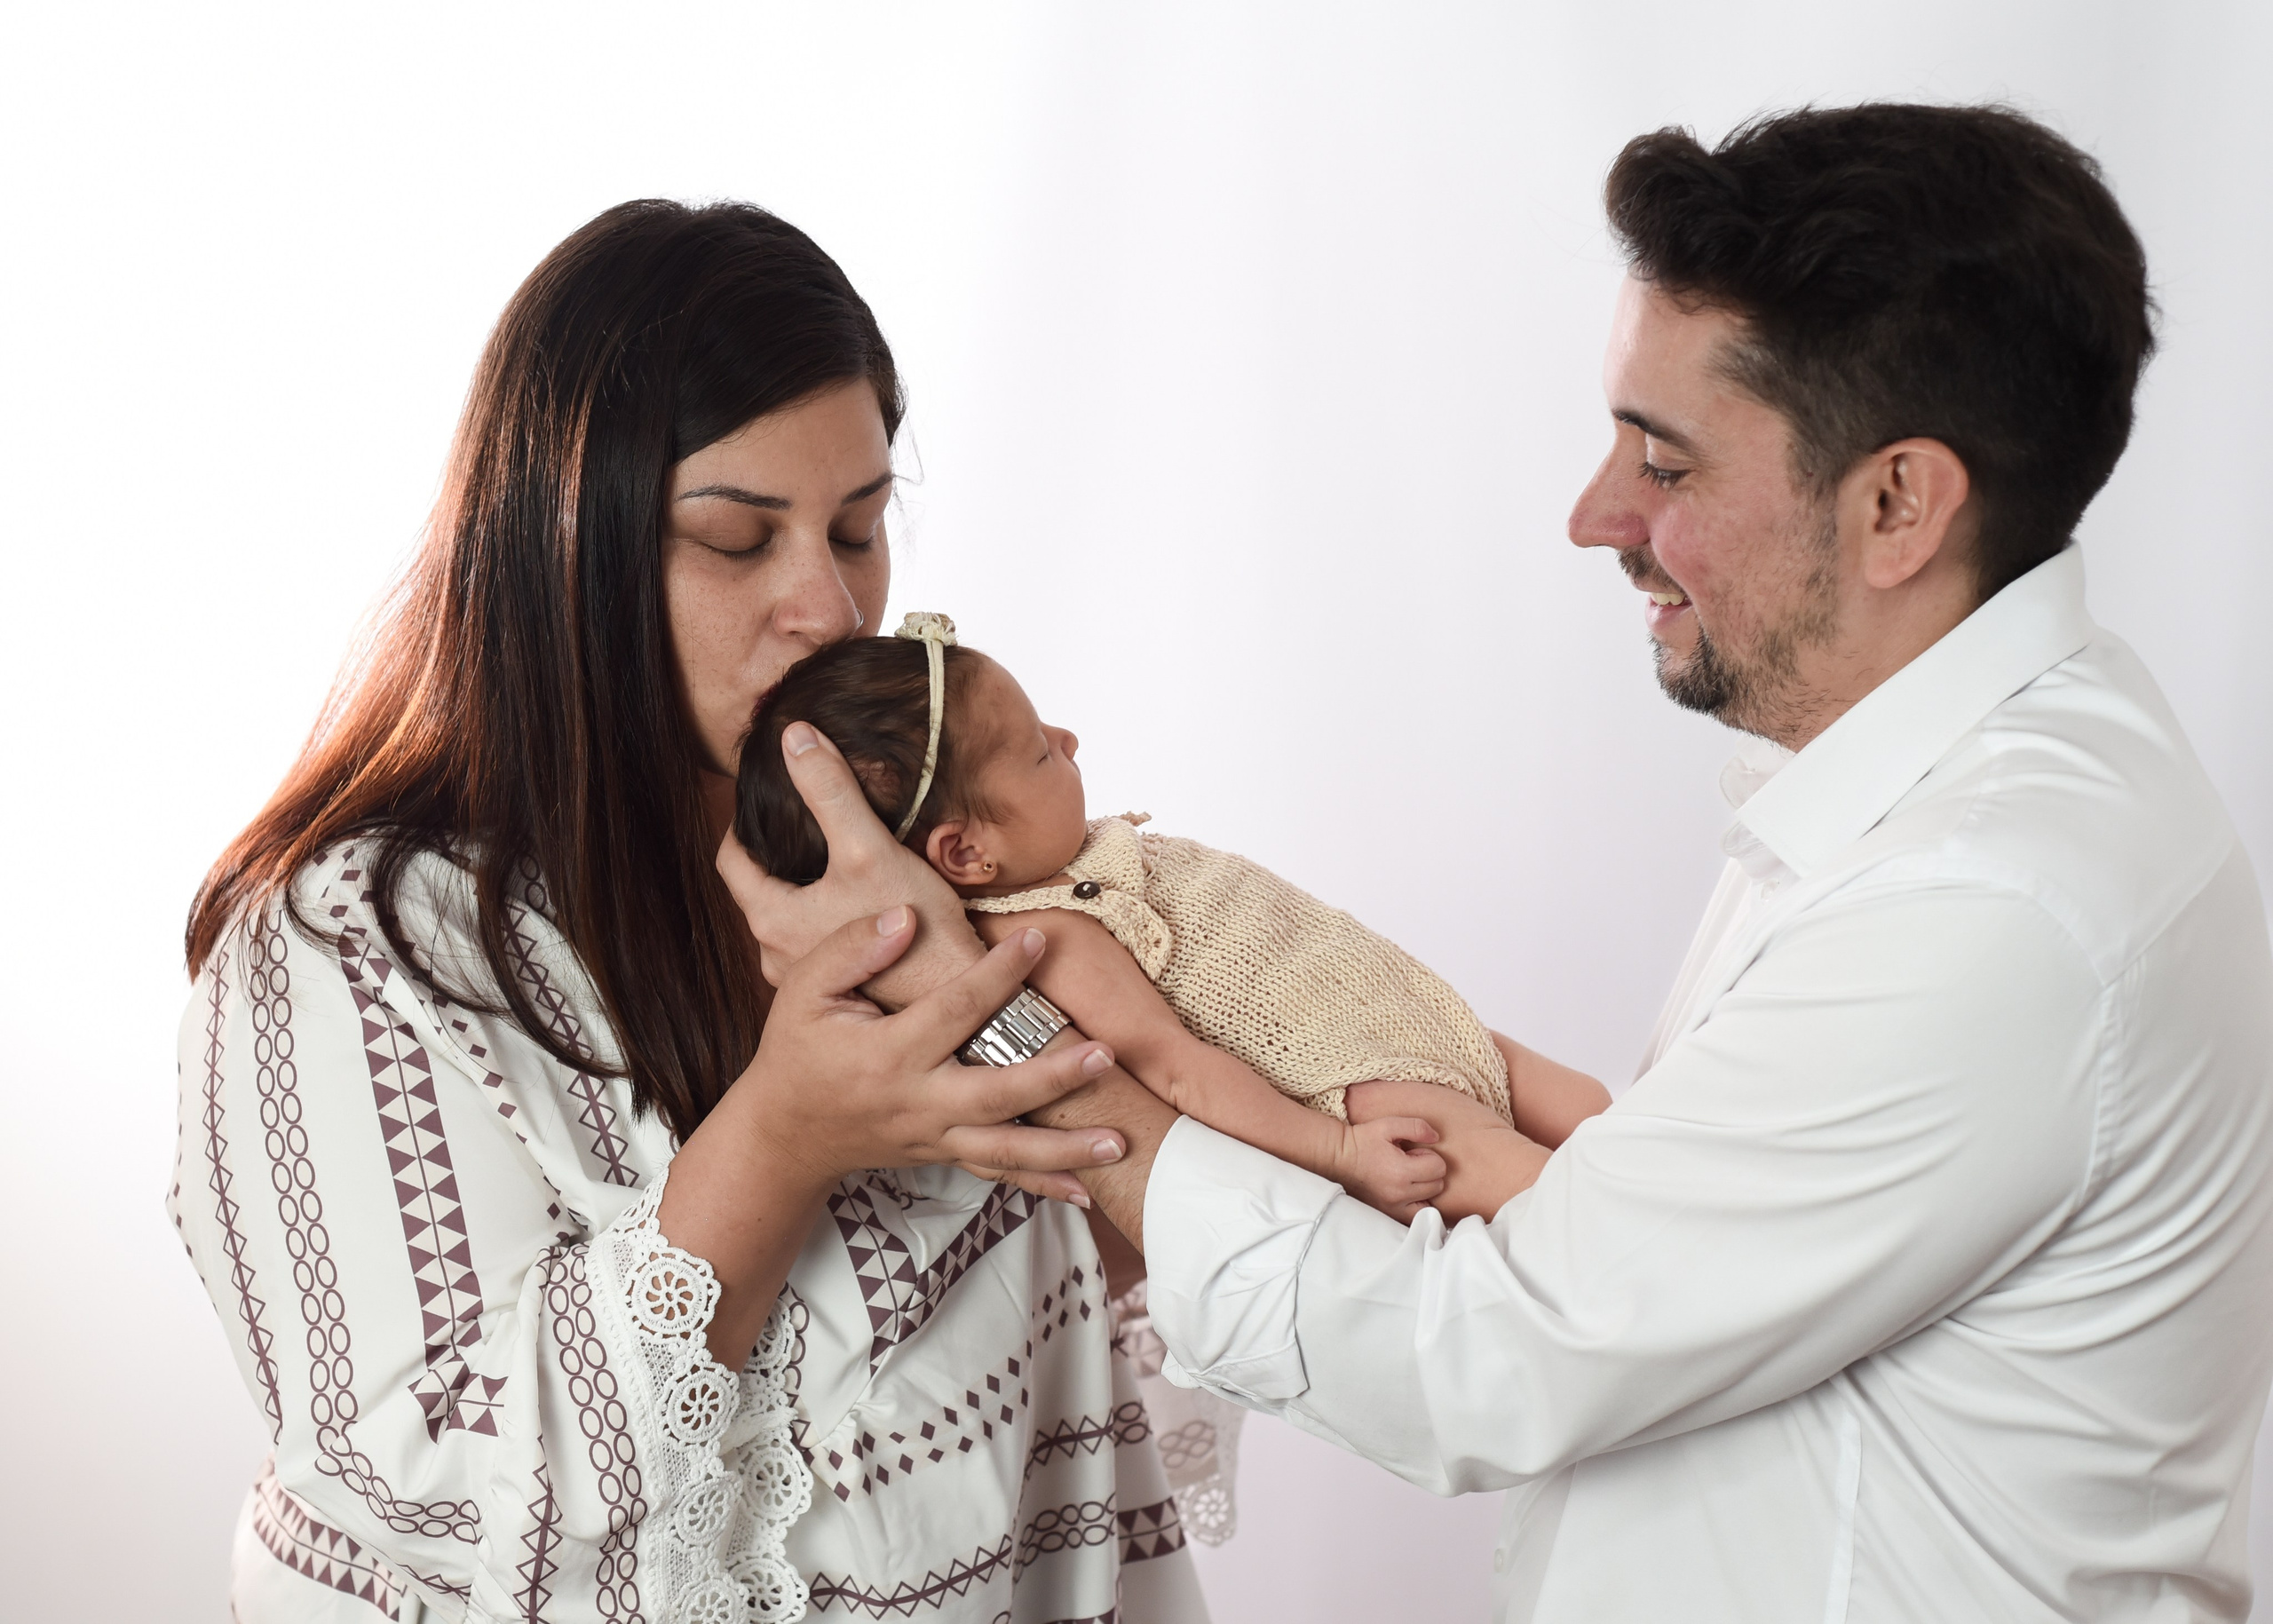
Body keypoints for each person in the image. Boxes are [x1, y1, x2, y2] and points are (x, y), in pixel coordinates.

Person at [727, 105, 2273, 1620]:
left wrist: (991, 1010)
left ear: (1896, 503)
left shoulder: (1989, 904)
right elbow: (1680, 1254)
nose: (1596, 514)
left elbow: (1484, 1357)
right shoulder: (1940, 797)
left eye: (1665, 463)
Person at [170, 201, 1208, 1624]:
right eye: (737, 540)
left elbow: (1084, 1337)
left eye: (860, 528)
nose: (831, 609)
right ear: (562, 549)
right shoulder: (352, 948)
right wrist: (781, 1136)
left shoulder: (908, 881)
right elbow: (428, 1492)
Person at [731, 614, 1612, 1221]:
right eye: (1039, 749)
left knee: (1613, 1126)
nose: (1068, 740)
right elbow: (1179, 1071)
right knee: (1572, 1210)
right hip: (1361, 1078)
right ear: (965, 856)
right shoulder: (1051, 936)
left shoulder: (1084, 865)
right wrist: (1340, 1153)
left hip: (1411, 1015)